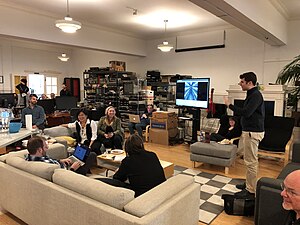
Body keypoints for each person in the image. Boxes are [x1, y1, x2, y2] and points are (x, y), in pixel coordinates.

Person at [224, 71, 265, 198]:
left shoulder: (256, 95)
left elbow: (246, 113)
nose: (240, 84)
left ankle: (251, 190)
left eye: (242, 82)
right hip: (249, 131)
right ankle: (248, 183)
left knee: (251, 162)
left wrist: (229, 105)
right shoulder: (251, 94)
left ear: (249, 82)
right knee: (248, 160)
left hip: (253, 133)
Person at [98, 134, 166, 197]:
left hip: (142, 194)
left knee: (102, 181)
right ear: (141, 145)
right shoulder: (152, 155)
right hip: (160, 189)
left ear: (127, 148)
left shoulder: (128, 161)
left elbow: (117, 178)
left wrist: (118, 171)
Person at [25, 136, 96, 176]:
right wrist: (73, 168)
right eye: (46, 147)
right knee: (92, 155)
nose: (47, 148)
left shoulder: (29, 158)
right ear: (40, 150)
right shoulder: (45, 164)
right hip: (70, 173)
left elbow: (49, 160)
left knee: (80, 156)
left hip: (64, 167)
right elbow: (64, 177)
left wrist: (60, 161)